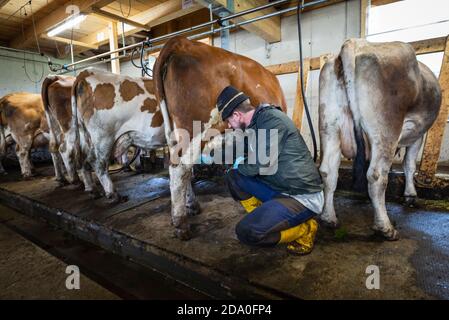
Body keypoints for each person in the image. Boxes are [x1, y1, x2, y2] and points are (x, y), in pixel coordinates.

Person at [216, 86, 324, 255]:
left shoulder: (272, 121)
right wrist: (208, 154)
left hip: (301, 196)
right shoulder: (255, 125)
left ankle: (303, 230)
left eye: (229, 121)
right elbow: (238, 149)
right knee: (234, 177)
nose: (229, 125)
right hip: (280, 188)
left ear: (237, 115)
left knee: (247, 232)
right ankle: (271, 217)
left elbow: (259, 164)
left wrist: (240, 164)